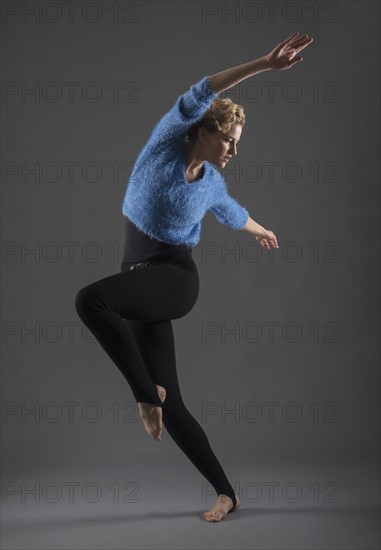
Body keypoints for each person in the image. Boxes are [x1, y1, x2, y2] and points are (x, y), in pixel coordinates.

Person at [75, 32, 313, 522]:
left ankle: (145, 396)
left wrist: (261, 228)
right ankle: (228, 492)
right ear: (203, 130)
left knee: (90, 301)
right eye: (228, 138)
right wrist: (265, 64)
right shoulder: (166, 141)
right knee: (175, 404)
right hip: (138, 279)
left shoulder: (213, 183)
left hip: (175, 278)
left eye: (237, 143)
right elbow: (202, 88)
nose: (232, 149)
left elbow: (231, 212)